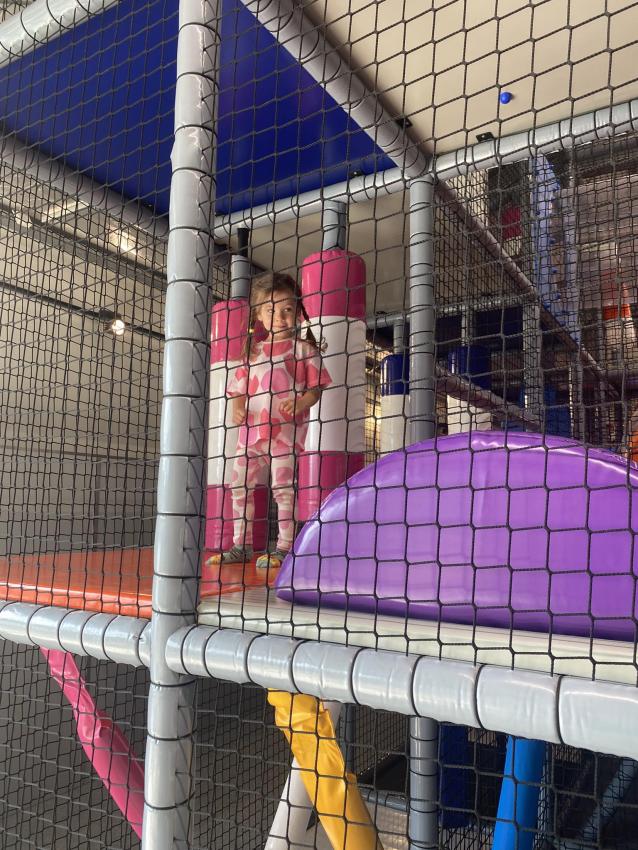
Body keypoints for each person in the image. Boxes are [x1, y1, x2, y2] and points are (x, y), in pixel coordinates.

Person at [208, 271, 331, 570]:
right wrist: (238, 408)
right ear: (260, 315)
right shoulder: (253, 352)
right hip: (251, 434)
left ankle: (285, 546)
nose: (279, 317)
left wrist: (300, 402)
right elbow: (238, 390)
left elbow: (316, 390)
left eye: (287, 310)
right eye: (271, 310)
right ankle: (242, 545)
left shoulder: (304, 350)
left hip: (284, 436)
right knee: (239, 485)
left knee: (283, 488)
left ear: (297, 312)